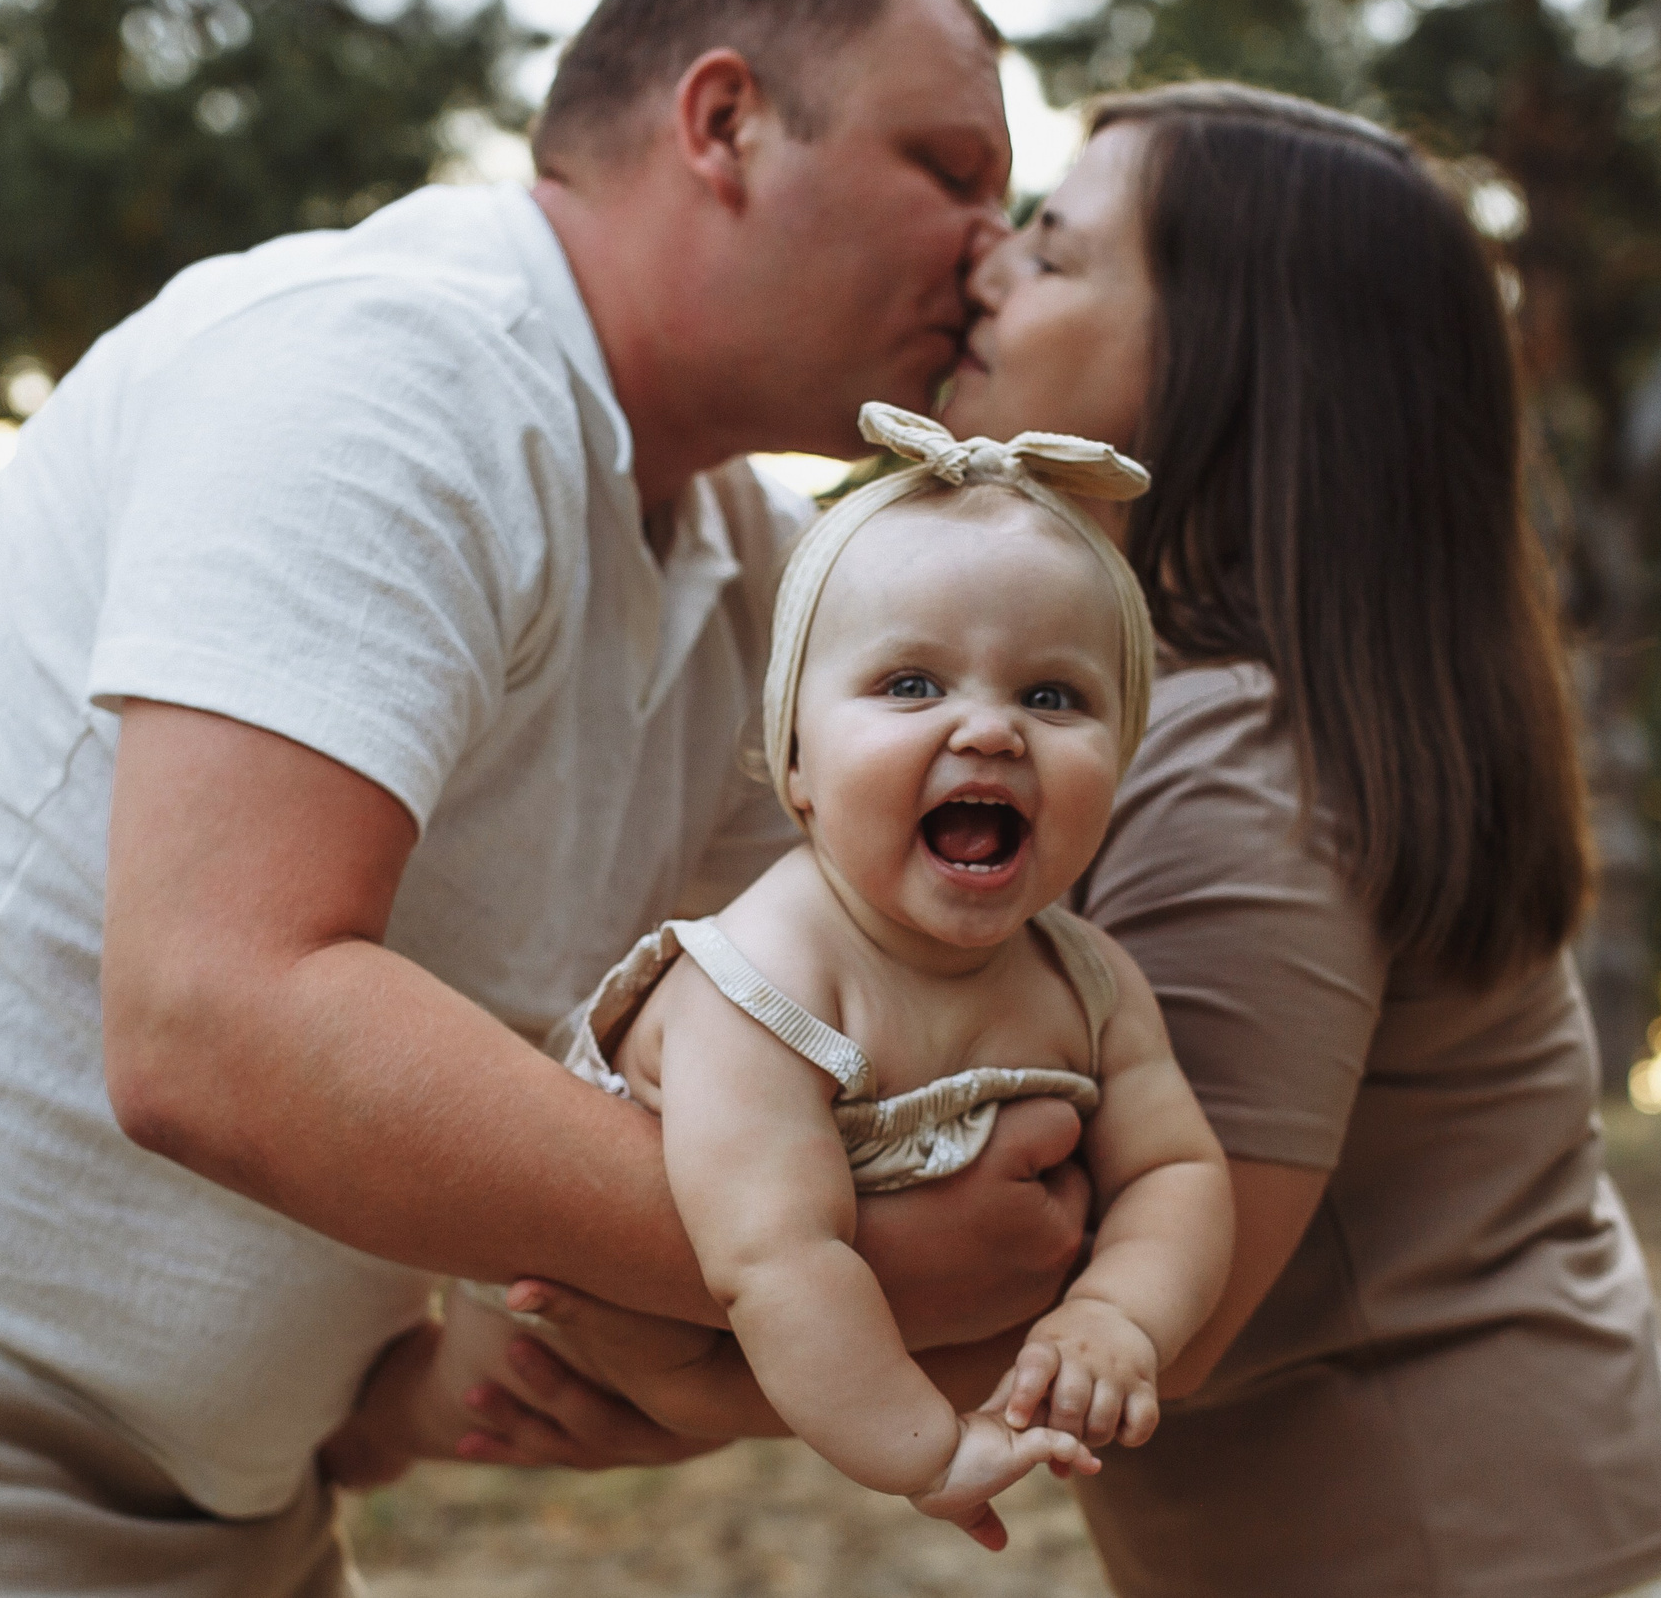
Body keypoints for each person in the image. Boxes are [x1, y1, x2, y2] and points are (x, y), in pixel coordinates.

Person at [0, 0, 1100, 1594]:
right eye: (951, 170)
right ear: (723, 124)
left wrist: (597, 1346)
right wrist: (811, 1262)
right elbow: (217, 1017)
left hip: (218, 1472)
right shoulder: (392, 366)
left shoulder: (742, 569)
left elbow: (869, 1029)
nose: (990, 256)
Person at [496, 83, 1661, 1598]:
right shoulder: (1272, 706)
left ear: (1235, 364)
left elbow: (1155, 1302)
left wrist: (699, 1383)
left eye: (1057, 253)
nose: (986, 269)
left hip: (1446, 1545)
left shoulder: (1232, 759)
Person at [414, 404, 1232, 1549]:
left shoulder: (1089, 983)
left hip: (834, 1326)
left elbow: (1177, 1169)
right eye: (910, 686)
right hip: (635, 1325)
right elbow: (774, 1257)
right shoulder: (764, 982)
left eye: (1053, 697)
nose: (989, 730)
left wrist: (1115, 1316)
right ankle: (363, 1423)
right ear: (794, 762)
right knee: (656, 1364)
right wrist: (929, 1452)